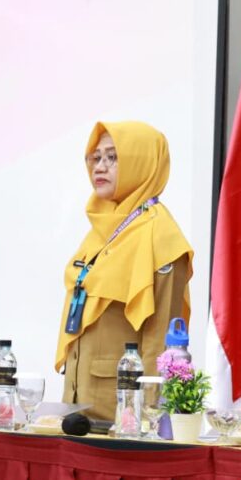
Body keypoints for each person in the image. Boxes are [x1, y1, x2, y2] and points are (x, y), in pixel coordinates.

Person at [55, 122, 193, 422]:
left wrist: (149, 419)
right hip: (77, 409)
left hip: (123, 416)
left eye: (113, 157)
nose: (99, 167)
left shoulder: (161, 236)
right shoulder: (102, 229)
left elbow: (162, 341)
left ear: (141, 162)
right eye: (96, 157)